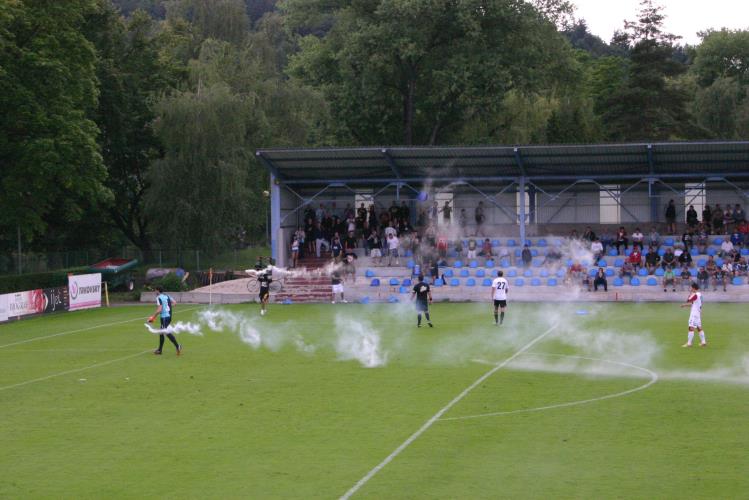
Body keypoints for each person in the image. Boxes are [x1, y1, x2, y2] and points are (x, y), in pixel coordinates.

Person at [148, 287, 182, 355]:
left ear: (158, 291)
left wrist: (153, 317)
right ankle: (160, 350)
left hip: (164, 317)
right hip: (169, 316)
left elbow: (159, 310)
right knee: (161, 332)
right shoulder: (167, 295)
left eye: (155, 290)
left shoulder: (158, 297)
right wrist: (167, 307)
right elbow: (175, 303)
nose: (155, 292)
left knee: (165, 332)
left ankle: (177, 346)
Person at [680, 283, 707, 347]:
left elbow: (688, 300)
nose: (690, 289)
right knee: (699, 327)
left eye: (691, 288)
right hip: (697, 313)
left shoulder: (695, 294)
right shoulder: (700, 294)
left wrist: (690, 294)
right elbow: (693, 304)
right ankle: (703, 342)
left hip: (694, 314)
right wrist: (684, 305)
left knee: (690, 327)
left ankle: (689, 343)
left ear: (694, 288)